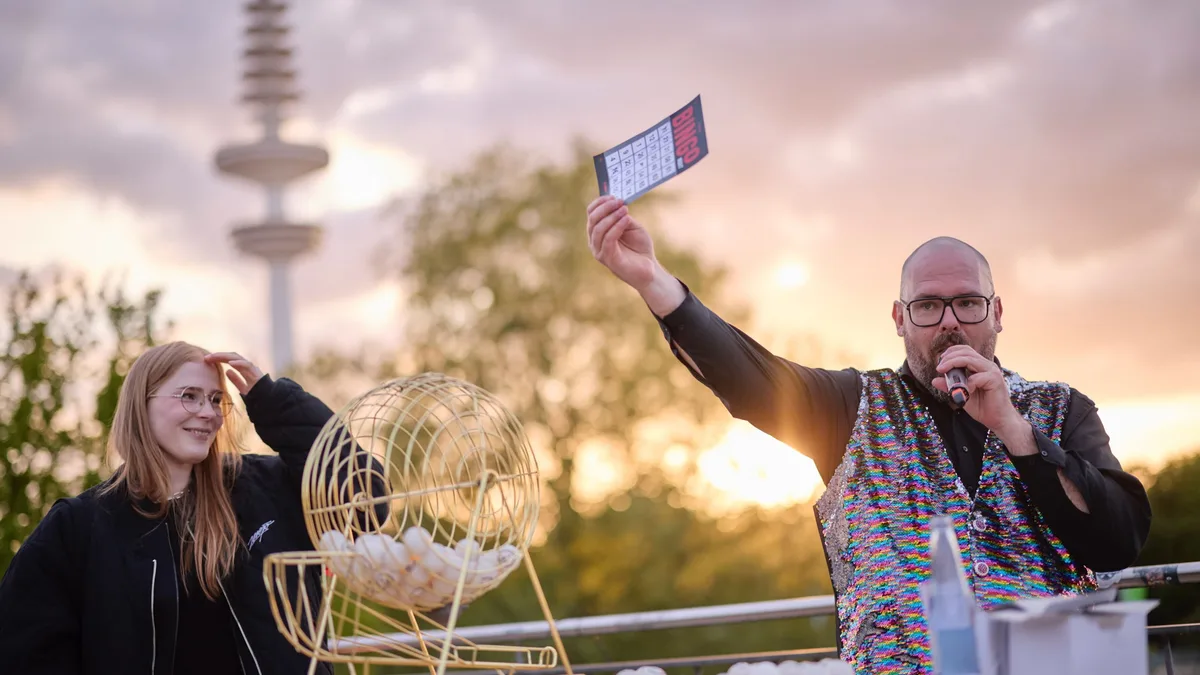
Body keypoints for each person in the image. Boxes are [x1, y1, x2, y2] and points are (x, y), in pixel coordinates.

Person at [585, 195, 1152, 674]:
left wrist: (1015, 430)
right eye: (927, 305)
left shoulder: (1061, 409)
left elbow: (1119, 540)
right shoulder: (851, 406)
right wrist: (652, 280)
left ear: (997, 312)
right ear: (900, 320)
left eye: (968, 303)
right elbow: (750, 377)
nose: (949, 320)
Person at [0, 341, 375, 675]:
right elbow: (26, 650)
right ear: (142, 405)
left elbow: (367, 505)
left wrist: (275, 404)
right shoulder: (80, 527)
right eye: (189, 396)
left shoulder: (266, 489)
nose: (208, 413)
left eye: (216, 399)